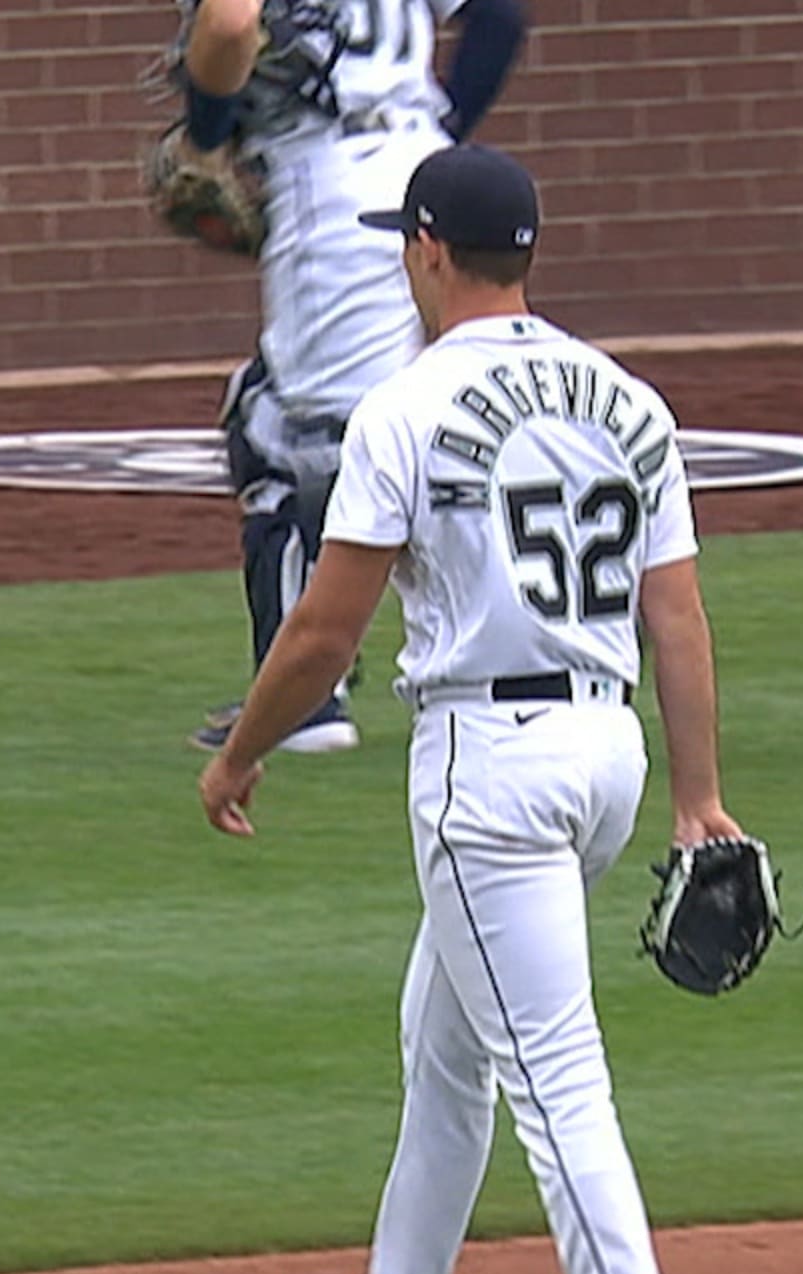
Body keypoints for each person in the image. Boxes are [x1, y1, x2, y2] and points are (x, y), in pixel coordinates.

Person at [197, 144, 737, 1274]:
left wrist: (240, 752)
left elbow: (324, 632)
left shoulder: (406, 407)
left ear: (430, 249)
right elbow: (676, 615)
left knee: (556, 1085)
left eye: (406, 238)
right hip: (604, 758)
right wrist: (698, 801)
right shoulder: (629, 401)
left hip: (489, 776)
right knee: (444, 1054)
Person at [170, 0, 528, 755]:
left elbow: (230, 24)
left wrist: (204, 140)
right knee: (445, 417)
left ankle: (302, 701)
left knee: (290, 440)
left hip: (330, 181)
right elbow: (499, 15)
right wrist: (441, 136)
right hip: (423, 168)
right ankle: (562, 614)